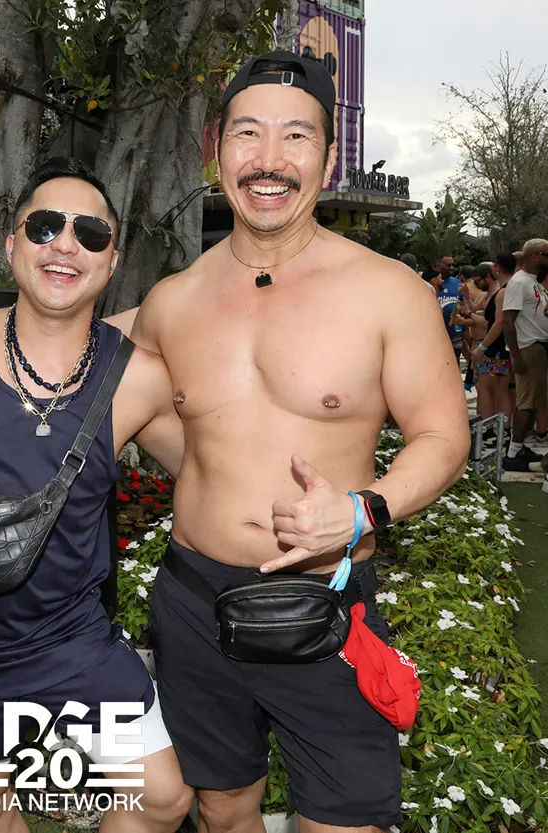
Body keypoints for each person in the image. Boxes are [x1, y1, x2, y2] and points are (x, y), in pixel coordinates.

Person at [131, 51, 470, 832]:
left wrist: (362, 509)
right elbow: (125, 398)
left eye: (296, 136)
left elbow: (444, 435)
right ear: (216, 147)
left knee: (345, 820)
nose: (269, 159)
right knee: (222, 807)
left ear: (329, 156)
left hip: (328, 604)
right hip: (193, 600)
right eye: (247, 133)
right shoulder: (171, 301)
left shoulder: (389, 292)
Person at [0, 157, 193, 833]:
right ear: (11, 244)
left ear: (112, 260)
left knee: (163, 797)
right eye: (45, 226)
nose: (65, 244)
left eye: (89, 233)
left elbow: (214, 472)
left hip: (72, 641)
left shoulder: (140, 379)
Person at [501, 238, 548, 472]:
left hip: (538, 347)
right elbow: (508, 321)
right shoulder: (519, 282)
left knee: (533, 403)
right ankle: (512, 455)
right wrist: (516, 356)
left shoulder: (533, 282)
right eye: (546, 255)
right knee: (526, 403)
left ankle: (518, 448)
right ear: (534, 256)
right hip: (528, 347)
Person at [471, 254, 516, 434]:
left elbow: (499, 322)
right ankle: (502, 430)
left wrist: (482, 347)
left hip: (497, 348)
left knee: (486, 387)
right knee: (500, 389)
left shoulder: (503, 292)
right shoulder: (510, 289)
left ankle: (490, 430)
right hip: (503, 347)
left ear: (497, 268)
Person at [434, 254, 464, 363]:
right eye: (448, 265)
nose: (451, 268)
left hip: (455, 333)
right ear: (438, 265)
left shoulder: (458, 284)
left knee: (455, 362)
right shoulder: (430, 283)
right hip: (436, 334)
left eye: (453, 265)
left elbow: (464, 304)